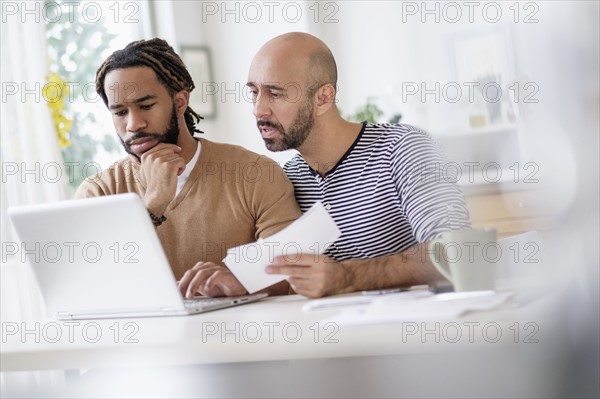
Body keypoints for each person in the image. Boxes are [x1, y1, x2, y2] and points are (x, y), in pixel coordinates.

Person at [246, 32, 471, 298]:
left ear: (323, 98)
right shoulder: (289, 178)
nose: (258, 110)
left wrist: (346, 276)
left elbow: (457, 251)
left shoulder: (404, 148)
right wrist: (243, 283)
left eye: (275, 93)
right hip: (333, 333)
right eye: (254, 92)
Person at [75, 38, 301, 297]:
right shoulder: (98, 193)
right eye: (120, 112)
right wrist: (152, 206)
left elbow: (294, 274)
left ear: (180, 102)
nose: (133, 124)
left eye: (146, 106)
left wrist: (239, 281)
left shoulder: (257, 173)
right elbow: (90, 289)